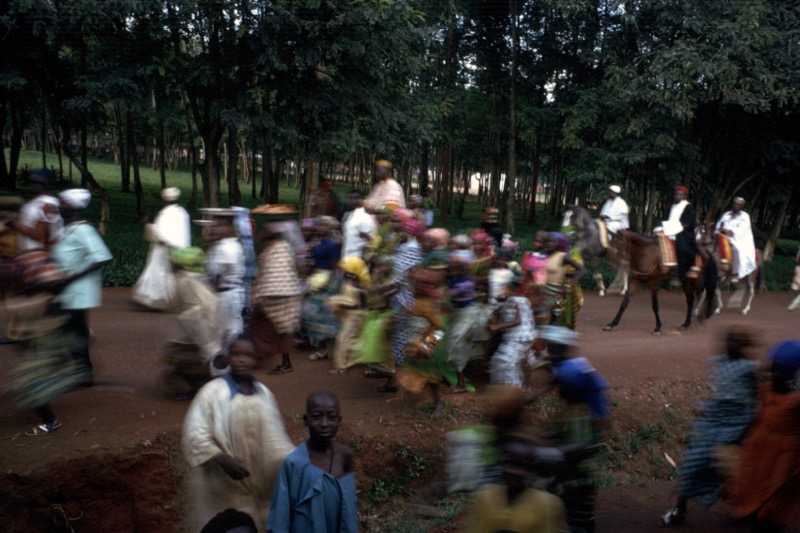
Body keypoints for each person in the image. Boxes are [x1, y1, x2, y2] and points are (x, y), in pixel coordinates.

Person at [182, 336, 294, 531]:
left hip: (261, 489)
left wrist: (296, 461)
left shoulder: (264, 394)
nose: (242, 360)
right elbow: (195, 434)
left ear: (255, 359)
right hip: (222, 489)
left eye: (248, 355)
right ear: (227, 358)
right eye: (236, 354)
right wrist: (220, 458)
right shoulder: (212, 393)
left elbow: (276, 440)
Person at [657, 325, 760, 527]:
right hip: (714, 421)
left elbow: (753, 398)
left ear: (743, 345)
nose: (730, 344)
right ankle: (679, 509)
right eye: (728, 340)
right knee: (693, 462)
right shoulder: (719, 362)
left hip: (736, 425)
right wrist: (706, 408)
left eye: (735, 341)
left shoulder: (750, 368)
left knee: (731, 471)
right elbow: (719, 393)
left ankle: (745, 510)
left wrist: (747, 427)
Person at [6, 251, 89, 436]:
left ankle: (50, 421)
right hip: (46, 327)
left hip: (51, 327)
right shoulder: (23, 280)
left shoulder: (36, 271)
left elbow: (55, 287)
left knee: (29, 380)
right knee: (30, 375)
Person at [539, 325, 610, 533]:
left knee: (578, 488)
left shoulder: (569, 375)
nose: (547, 353)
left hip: (581, 446)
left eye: (550, 349)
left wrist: (553, 450)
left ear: (559, 351)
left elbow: (583, 444)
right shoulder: (572, 369)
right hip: (582, 428)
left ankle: (580, 522)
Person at [725, 340, 800, 532]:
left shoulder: (795, 403)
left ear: (792, 374)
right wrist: (740, 438)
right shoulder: (766, 389)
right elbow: (758, 415)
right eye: (772, 370)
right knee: (750, 485)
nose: (774, 375)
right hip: (760, 452)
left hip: (783, 460)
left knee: (775, 500)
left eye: (779, 371)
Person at [267, 391, 357, 533]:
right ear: (305, 420)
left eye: (331, 417)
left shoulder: (345, 457)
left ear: (339, 421)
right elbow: (281, 517)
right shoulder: (293, 463)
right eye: (316, 417)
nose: (324, 424)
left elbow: (349, 509)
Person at [50, 189, 113, 385]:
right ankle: (80, 370)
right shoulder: (66, 228)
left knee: (71, 330)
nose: (58, 206)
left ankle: (83, 373)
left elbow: (101, 257)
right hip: (67, 290)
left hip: (77, 291)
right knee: (70, 329)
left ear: (72, 207)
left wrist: (70, 278)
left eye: (62, 203)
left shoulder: (84, 230)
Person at [466, 438, 566, 533]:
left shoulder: (547, 504)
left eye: (520, 466)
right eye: (509, 464)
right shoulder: (485, 498)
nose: (513, 472)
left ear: (531, 470)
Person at [162, 247, 222, 400]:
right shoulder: (197, 277)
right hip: (199, 326)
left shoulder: (184, 280)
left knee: (186, 363)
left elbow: (192, 309)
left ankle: (200, 390)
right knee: (194, 362)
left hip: (194, 327)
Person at [247, 221, 302, 375]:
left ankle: (275, 360)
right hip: (279, 296)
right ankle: (263, 357)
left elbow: (271, 279)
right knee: (275, 330)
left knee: (268, 329)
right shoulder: (281, 248)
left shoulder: (277, 250)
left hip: (274, 297)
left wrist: (258, 298)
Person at [132, 187, 191, 310]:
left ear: (165, 199)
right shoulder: (182, 212)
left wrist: (147, 225)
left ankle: (156, 299)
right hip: (180, 248)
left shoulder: (164, 214)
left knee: (158, 271)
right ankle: (173, 299)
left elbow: (160, 234)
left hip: (163, 249)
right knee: (173, 273)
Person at [204, 217, 247, 358]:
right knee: (227, 329)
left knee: (225, 331)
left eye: (220, 226)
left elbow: (216, 279)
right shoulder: (224, 245)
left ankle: (225, 361)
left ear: (228, 228)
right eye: (214, 226)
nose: (216, 229)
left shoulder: (226, 247)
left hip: (226, 295)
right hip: (229, 294)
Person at [324, 257, 369, 375]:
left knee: (343, 339)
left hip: (355, 316)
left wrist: (338, 303)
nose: (342, 270)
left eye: (346, 268)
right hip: (351, 315)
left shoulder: (358, 286)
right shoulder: (350, 281)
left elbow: (356, 304)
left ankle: (341, 366)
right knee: (351, 339)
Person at [489, 277, 535, 389]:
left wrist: (497, 326)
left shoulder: (512, 300)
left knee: (504, 361)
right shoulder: (525, 300)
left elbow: (517, 321)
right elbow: (530, 319)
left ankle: (515, 390)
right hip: (529, 335)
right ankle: (527, 386)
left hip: (517, 337)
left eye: (504, 288)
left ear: (509, 288)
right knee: (526, 361)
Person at [8, 168, 63, 251]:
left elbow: (40, 236)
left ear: (49, 184)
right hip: (25, 251)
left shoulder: (49, 204)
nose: (35, 184)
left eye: (41, 182)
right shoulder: (36, 200)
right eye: (33, 181)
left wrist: (14, 223)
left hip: (37, 254)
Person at [659, 185, 697, 280]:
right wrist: (663, 224)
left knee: (683, 248)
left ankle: (682, 272)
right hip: (669, 229)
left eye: (680, 195)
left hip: (682, 232)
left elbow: (686, 223)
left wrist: (670, 226)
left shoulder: (688, 207)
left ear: (684, 196)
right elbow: (665, 218)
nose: (677, 196)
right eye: (676, 194)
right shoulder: (671, 207)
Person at [715, 197, 756, 283]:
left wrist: (727, 231)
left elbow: (741, 230)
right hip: (722, 236)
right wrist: (721, 230)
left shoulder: (745, 216)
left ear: (742, 206)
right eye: (734, 204)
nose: (735, 206)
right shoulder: (726, 214)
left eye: (738, 204)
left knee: (735, 249)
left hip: (738, 239)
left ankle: (735, 272)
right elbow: (719, 226)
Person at [340, 190, 377, 260]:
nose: (351, 201)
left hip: (357, 257)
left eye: (354, 198)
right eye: (350, 198)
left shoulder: (365, 217)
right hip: (345, 255)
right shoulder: (348, 215)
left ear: (361, 200)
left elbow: (369, 241)